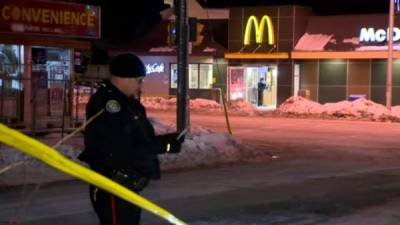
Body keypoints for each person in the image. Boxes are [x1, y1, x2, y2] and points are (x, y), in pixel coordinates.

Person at [78, 53, 185, 225]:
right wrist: (162, 145)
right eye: (138, 80)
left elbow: (139, 139)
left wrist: (167, 142)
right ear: (125, 78)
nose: (140, 86)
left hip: (127, 186)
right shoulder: (109, 104)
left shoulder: (127, 103)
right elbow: (120, 149)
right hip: (114, 186)